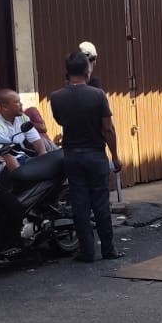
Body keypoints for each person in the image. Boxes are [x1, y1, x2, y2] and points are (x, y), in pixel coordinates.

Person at [48, 51, 123, 263]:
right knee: (101, 204)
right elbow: (107, 128)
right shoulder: (97, 95)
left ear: (67, 72)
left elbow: (60, 121)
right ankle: (108, 250)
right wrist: (115, 156)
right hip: (95, 155)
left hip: (72, 156)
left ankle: (87, 252)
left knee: (79, 205)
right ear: (87, 71)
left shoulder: (56, 97)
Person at [0, 88, 48, 172]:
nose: (21, 104)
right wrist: (21, 175)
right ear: (5, 107)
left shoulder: (23, 118)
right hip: (4, 167)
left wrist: (44, 157)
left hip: (23, 158)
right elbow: (8, 157)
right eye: (17, 102)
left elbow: (36, 139)